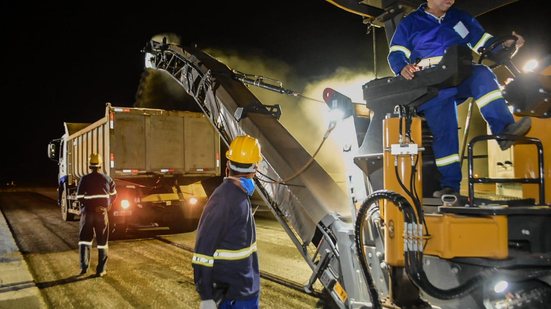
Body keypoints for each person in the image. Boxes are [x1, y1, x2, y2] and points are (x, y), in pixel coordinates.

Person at [387, 0, 532, 198]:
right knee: (445, 126)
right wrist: (402, 67)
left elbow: (485, 43)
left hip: (460, 74)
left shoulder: (460, 17)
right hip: (430, 83)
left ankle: (504, 131)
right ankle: (450, 186)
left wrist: (507, 45)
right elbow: (396, 53)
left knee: (482, 73)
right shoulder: (410, 22)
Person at [192, 135, 263, 309]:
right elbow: (203, 252)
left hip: (243, 291)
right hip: (235, 296)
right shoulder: (224, 199)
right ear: (255, 168)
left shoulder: (238, 194)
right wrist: (206, 296)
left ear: (228, 165)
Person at [76, 153, 117, 277]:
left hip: (87, 214)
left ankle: (84, 267)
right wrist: (105, 206)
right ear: (100, 165)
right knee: (102, 241)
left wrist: (89, 206)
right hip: (101, 214)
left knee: (85, 240)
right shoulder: (108, 179)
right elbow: (114, 195)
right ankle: (101, 270)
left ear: (89, 165)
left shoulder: (84, 179)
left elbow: (79, 197)